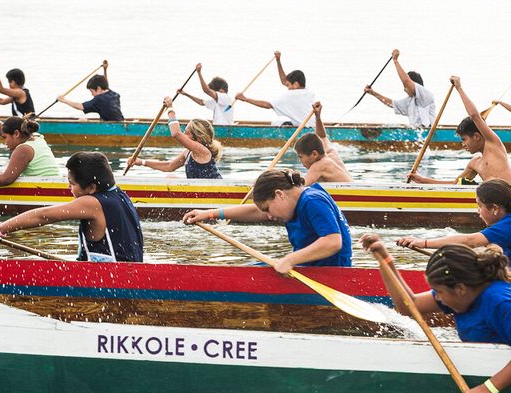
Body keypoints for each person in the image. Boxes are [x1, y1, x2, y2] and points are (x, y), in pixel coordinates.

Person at [359, 236, 511, 393]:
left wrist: (488, 388)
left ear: (460, 289)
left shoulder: (501, 300)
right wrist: (384, 259)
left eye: (439, 292)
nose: (438, 298)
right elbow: (410, 306)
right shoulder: (464, 292)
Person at [0, 152, 143, 263]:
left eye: (72, 184)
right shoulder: (121, 195)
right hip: (132, 273)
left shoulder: (91, 203)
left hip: (110, 280)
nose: (68, 187)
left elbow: (44, 216)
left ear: (92, 188)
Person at [183, 169, 352, 272]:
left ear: (279, 194)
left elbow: (332, 242)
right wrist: (211, 214)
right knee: (249, 269)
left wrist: (289, 260)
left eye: (268, 209)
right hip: (308, 270)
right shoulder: (295, 201)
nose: (269, 216)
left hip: (331, 274)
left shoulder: (312, 201)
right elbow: (256, 212)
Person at [397, 179, 511, 273]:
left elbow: (471, 240)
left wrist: (423, 243)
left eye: (480, 205)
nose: (477, 211)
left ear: (494, 208)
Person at [409, 76, 511, 186]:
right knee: (463, 183)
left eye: (464, 139)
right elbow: (454, 184)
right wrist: (422, 180)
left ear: (476, 136)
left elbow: (474, 115)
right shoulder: (475, 163)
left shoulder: (493, 144)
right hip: (494, 200)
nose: (463, 144)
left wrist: (459, 88)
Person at [0, 102, 58, 187]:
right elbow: (5, 130)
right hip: (55, 185)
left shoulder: (24, 149)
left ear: (17, 134)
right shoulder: (37, 137)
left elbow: (6, 179)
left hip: (48, 188)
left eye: (5, 138)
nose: (5, 142)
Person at [131, 97, 222, 179]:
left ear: (197, 138)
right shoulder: (188, 153)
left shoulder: (203, 151)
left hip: (218, 192)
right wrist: (142, 162)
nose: (183, 135)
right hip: (198, 192)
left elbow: (176, 133)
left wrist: (170, 108)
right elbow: (169, 166)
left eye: (186, 133)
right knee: (171, 177)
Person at [234, 51, 315, 127]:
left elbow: (267, 105)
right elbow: (284, 81)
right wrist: (278, 61)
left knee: (278, 121)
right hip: (311, 127)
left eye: (288, 85)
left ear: (296, 84)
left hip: (303, 129)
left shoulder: (291, 95)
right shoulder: (309, 93)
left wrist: (245, 99)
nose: (287, 87)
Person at [363, 49, 436, 128]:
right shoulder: (410, 101)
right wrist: (373, 93)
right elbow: (391, 104)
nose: (404, 89)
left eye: (405, 87)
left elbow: (406, 81)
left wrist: (395, 61)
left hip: (429, 133)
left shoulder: (426, 95)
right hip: (416, 134)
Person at [293, 102, 352, 185]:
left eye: (301, 157)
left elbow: (302, 187)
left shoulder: (319, 165)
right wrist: (317, 117)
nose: (300, 161)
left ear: (314, 154)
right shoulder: (331, 154)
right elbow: (322, 136)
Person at [57, 74, 123, 121]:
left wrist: (63, 100)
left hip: (110, 127)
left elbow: (81, 106)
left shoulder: (99, 99)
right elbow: (105, 86)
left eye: (92, 91)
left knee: (82, 120)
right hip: (120, 123)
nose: (92, 94)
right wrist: (105, 69)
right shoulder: (114, 95)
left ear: (99, 88)